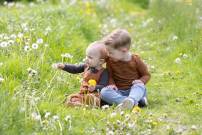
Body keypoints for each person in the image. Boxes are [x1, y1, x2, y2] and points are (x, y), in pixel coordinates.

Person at [100, 29, 151, 110]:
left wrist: (141, 81)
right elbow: (110, 76)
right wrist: (111, 84)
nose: (108, 55)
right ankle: (131, 102)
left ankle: (132, 100)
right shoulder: (110, 61)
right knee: (104, 92)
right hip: (118, 91)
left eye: (111, 52)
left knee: (139, 86)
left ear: (124, 50)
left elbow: (146, 75)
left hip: (134, 89)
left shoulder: (135, 60)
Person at [54, 41, 108, 107]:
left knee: (91, 98)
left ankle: (88, 104)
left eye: (90, 58)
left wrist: (95, 87)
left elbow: (103, 86)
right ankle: (79, 104)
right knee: (73, 98)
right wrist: (64, 66)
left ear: (100, 61)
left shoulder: (104, 72)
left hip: (94, 95)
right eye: (86, 56)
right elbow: (75, 69)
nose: (86, 59)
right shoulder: (85, 66)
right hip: (82, 94)